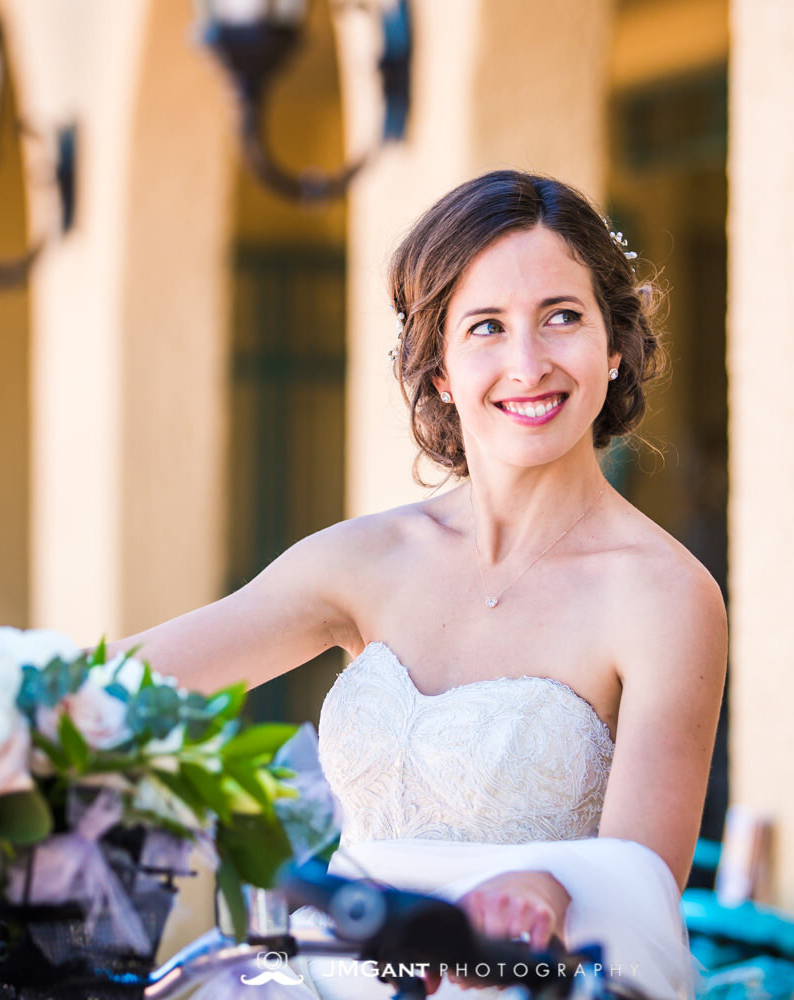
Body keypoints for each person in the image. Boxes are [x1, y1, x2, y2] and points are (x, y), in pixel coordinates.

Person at [110, 170, 727, 999]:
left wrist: (548, 888)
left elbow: (643, 873)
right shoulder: (367, 560)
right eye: (486, 328)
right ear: (438, 367)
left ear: (613, 346)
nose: (528, 362)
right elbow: (123, 686)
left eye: (562, 318)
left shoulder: (663, 594)